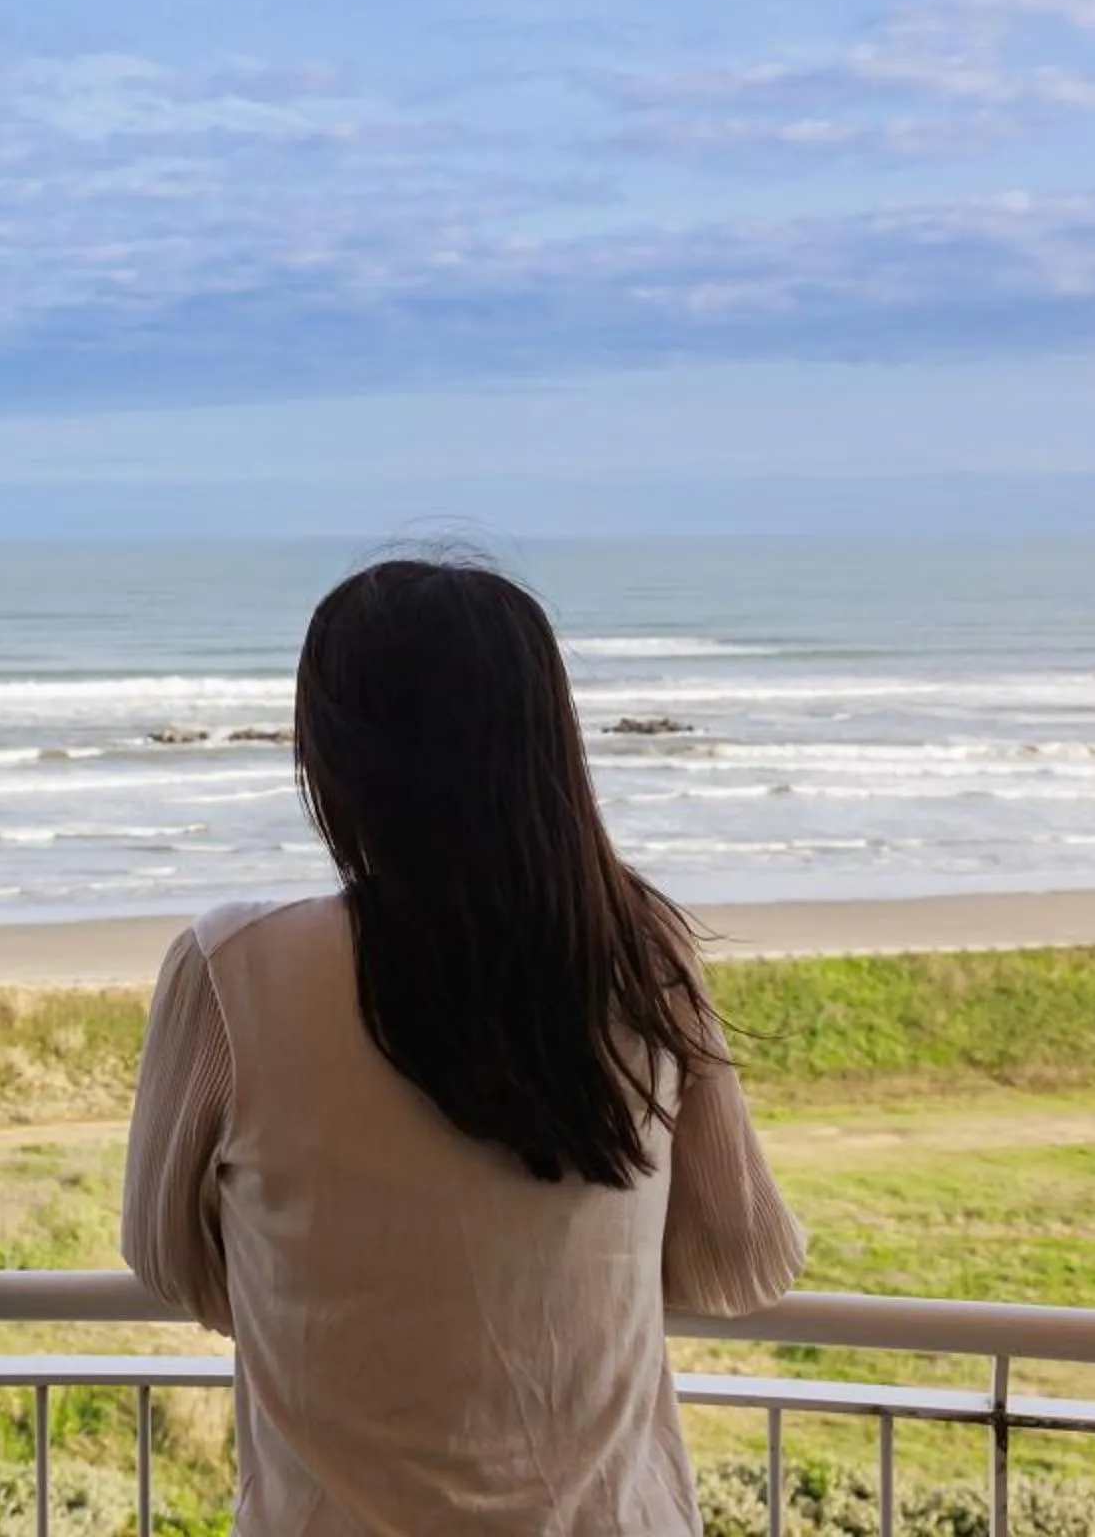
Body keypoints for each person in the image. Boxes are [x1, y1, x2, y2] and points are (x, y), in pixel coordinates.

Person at [122, 559, 805, 1535]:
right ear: (545, 744)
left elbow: (168, 1257)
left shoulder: (234, 970)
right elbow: (738, 1260)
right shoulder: (638, 952)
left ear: (332, 757)